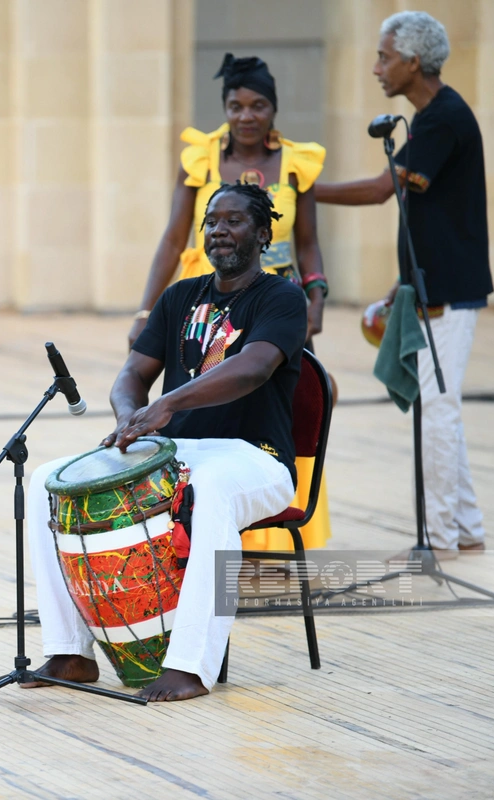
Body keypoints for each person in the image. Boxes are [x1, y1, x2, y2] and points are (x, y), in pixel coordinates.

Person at [23, 184, 306, 701]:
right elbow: (132, 374)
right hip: (174, 457)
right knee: (47, 482)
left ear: (264, 233)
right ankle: (69, 653)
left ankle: (190, 666)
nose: (219, 230)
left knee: (209, 492)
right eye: (212, 221)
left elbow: (253, 367)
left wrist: (168, 404)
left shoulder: (282, 297)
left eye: (234, 221)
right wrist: (131, 420)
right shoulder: (179, 296)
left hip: (254, 457)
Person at [131, 53, 331, 554]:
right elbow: (173, 237)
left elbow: (308, 242)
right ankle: (201, 552)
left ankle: (269, 540)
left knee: (277, 403)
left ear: (273, 109)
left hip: (272, 297)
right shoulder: (200, 159)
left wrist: (317, 296)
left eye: (257, 105)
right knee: (203, 407)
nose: (246, 115)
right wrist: (145, 310)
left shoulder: (297, 163)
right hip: (205, 295)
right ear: (224, 108)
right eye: (236, 106)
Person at [316, 11, 491, 556]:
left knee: (437, 410)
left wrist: (300, 190)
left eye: (384, 57)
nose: (376, 69)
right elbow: (430, 215)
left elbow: (380, 190)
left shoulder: (443, 118)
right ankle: (465, 528)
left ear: (414, 62)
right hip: (431, 285)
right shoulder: (431, 116)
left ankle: (438, 538)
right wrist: (402, 280)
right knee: (440, 407)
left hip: (449, 292)